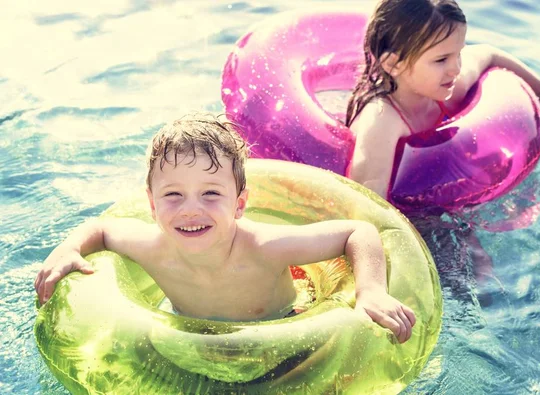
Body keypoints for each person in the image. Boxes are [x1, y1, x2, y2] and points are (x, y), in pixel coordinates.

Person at [34, 112, 416, 343]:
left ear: (240, 205)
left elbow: (358, 233)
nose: (190, 210)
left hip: (286, 326)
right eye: (173, 195)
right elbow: (100, 228)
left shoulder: (266, 247)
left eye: (211, 193)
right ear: (151, 205)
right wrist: (68, 249)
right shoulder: (151, 247)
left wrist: (370, 291)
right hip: (189, 334)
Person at [346, 0, 540, 198]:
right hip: (410, 206)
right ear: (393, 64)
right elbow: (367, 206)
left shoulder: (449, 85)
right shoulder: (381, 122)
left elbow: (491, 54)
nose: (455, 68)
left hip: (448, 187)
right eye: (442, 59)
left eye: (458, 53)